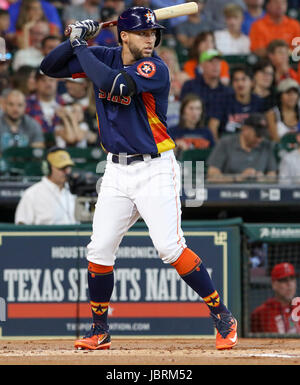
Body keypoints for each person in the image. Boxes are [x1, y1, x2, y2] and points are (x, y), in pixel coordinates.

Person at [40, 6, 238, 351]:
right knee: (99, 249)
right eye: (144, 34)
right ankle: (99, 330)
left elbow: (112, 83)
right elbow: (49, 67)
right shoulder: (103, 54)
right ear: (124, 35)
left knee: (169, 247)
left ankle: (222, 315)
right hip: (116, 169)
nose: (151, 39)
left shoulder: (155, 67)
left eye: (153, 34)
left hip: (155, 168)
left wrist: (80, 46)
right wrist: (74, 39)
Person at [206, 113, 277, 183]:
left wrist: (263, 179)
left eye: (262, 135)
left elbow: (273, 175)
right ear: (245, 129)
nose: (260, 139)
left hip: (258, 191)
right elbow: (212, 176)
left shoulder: (266, 145)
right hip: (230, 190)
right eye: (257, 135)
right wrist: (238, 178)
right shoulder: (225, 143)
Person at [14, 146, 77, 225]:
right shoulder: (32, 194)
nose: (66, 172)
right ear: (47, 168)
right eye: (62, 168)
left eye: (68, 167)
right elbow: (21, 228)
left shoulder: (77, 190)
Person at [181, 49, 232, 138]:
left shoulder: (227, 91)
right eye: (211, 62)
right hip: (193, 133)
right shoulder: (190, 86)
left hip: (222, 135)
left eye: (218, 62)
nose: (215, 66)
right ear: (202, 65)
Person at [208, 65, 265, 139]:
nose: (240, 84)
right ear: (232, 84)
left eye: (243, 79)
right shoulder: (222, 101)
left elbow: (265, 129)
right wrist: (218, 147)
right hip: (228, 146)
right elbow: (212, 127)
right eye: (236, 80)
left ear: (252, 83)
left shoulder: (259, 102)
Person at [251, 262, 300, 334]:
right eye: (284, 280)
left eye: (292, 279)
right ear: (274, 284)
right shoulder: (261, 313)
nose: (289, 284)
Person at [26, 70, 64, 136]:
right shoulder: (25, 104)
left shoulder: (65, 104)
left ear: (56, 82)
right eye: (43, 80)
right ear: (36, 83)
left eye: (51, 80)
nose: (48, 84)